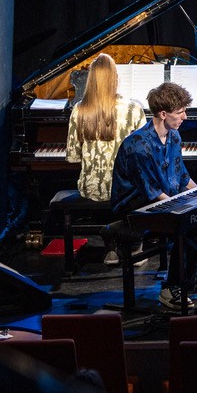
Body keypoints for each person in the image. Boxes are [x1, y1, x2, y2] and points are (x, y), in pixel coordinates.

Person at [111, 81, 197, 311]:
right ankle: (171, 288)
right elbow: (151, 191)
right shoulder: (138, 147)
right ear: (162, 114)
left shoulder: (174, 136)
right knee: (189, 223)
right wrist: (185, 208)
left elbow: (181, 176)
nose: (185, 117)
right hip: (135, 206)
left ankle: (190, 275)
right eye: (180, 112)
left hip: (163, 196)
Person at [64, 52, 146, 264]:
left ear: (90, 79)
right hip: (125, 190)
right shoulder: (134, 109)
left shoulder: (79, 110)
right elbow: (144, 155)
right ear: (115, 78)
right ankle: (135, 244)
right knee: (145, 186)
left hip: (92, 189)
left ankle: (110, 248)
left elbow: (73, 156)